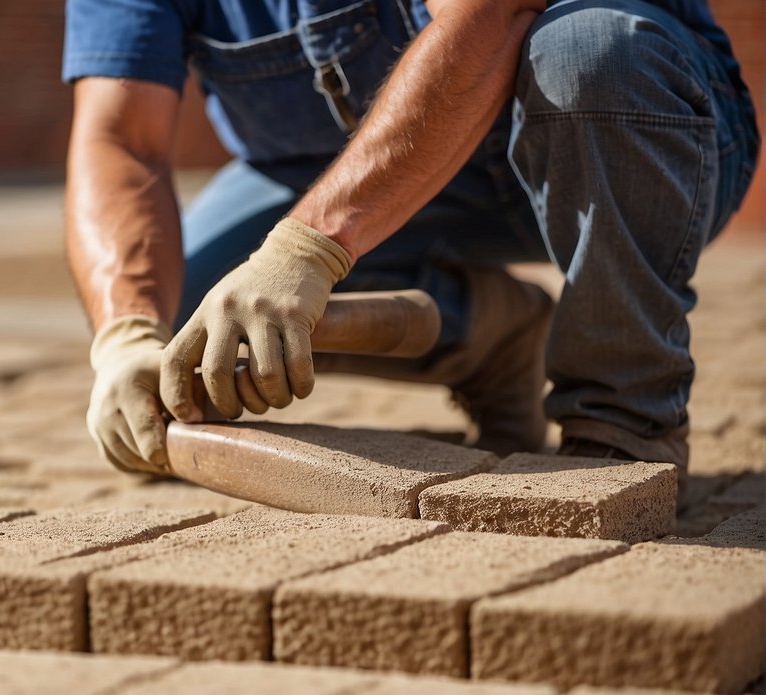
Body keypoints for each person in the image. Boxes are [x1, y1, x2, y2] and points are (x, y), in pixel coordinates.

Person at [64, 0, 759, 485]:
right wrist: (124, 334)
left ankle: (622, 426)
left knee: (589, 51)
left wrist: (305, 251)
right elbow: (119, 138)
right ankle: (490, 332)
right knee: (185, 326)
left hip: (627, 135)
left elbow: (490, 14)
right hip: (383, 192)